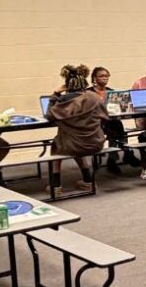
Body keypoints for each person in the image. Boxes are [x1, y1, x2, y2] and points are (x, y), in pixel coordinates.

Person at [44, 64, 108, 193]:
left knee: (57, 146)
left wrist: (55, 94)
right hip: (95, 142)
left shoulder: (62, 101)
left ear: (68, 85)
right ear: (84, 82)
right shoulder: (94, 97)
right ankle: (88, 181)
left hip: (73, 144)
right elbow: (105, 116)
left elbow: (49, 116)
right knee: (74, 142)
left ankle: (55, 186)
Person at [90, 66, 139, 174]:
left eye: (106, 76)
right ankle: (114, 159)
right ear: (94, 78)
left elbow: (119, 108)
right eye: (101, 76)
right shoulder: (89, 92)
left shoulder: (111, 92)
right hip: (95, 123)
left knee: (117, 125)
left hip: (111, 121)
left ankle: (125, 154)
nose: (104, 78)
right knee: (114, 128)